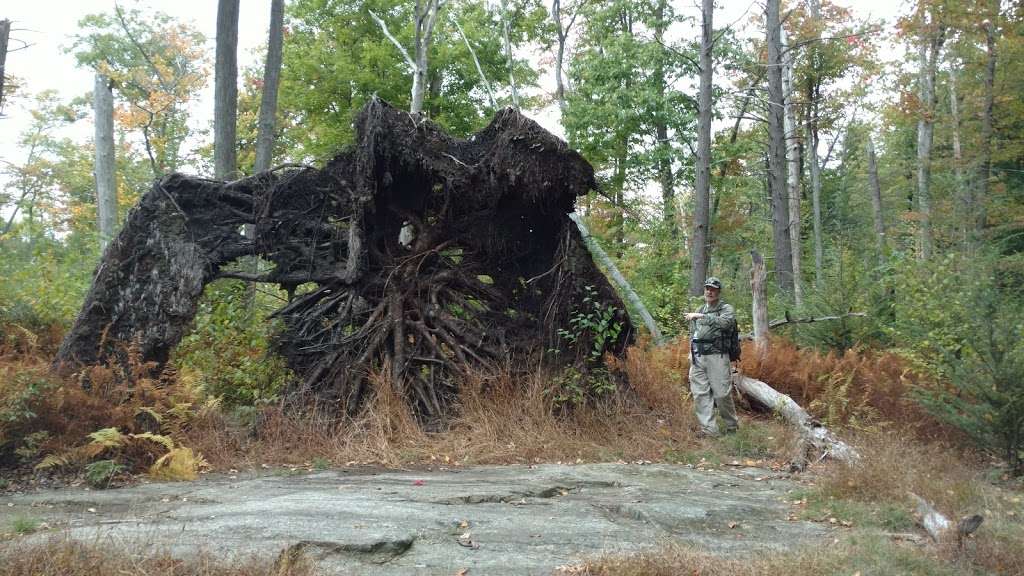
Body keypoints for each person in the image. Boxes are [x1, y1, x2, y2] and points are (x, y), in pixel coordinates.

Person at [685, 277, 739, 437]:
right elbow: (694, 333)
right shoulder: (700, 308)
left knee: (722, 394)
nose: (709, 291)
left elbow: (725, 323)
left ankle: (732, 427)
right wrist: (691, 351)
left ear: (718, 292)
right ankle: (710, 430)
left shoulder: (726, 308)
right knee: (700, 394)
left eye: (713, 289)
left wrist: (700, 317)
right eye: (707, 288)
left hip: (718, 356)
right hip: (698, 356)